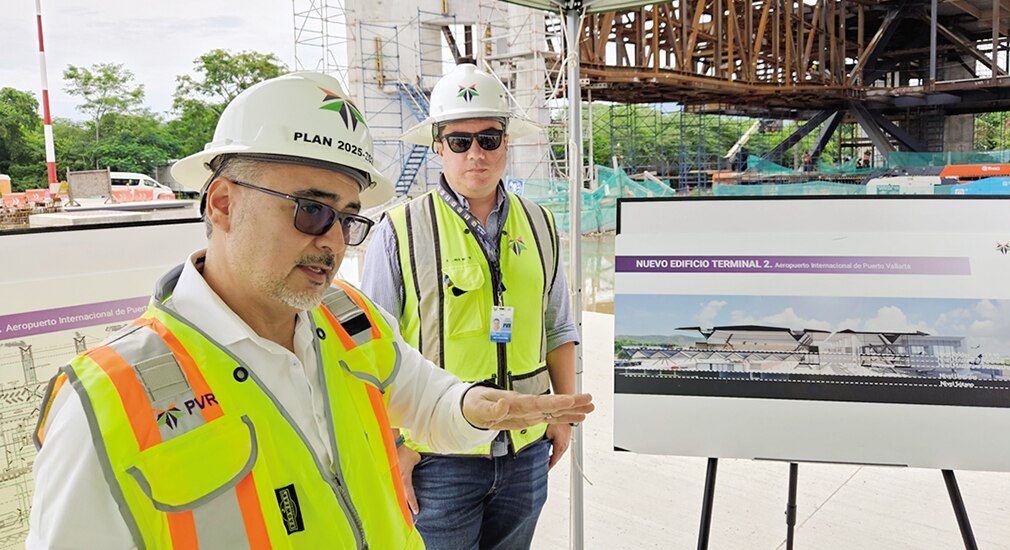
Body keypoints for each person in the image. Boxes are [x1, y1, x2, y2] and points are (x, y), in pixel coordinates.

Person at [27, 72, 592, 549]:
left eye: (346, 217)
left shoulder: (348, 317)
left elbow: (425, 398)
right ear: (222, 203)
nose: (333, 243)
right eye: (310, 210)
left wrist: (475, 408)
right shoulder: (104, 404)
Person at [361, 60, 578, 549]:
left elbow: (559, 327)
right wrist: (394, 445)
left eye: (489, 138)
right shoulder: (397, 231)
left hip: (524, 452)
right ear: (439, 147)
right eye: (460, 141)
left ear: (507, 142)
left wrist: (560, 415)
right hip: (437, 456)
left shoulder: (541, 224)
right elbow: (371, 354)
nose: (475, 153)